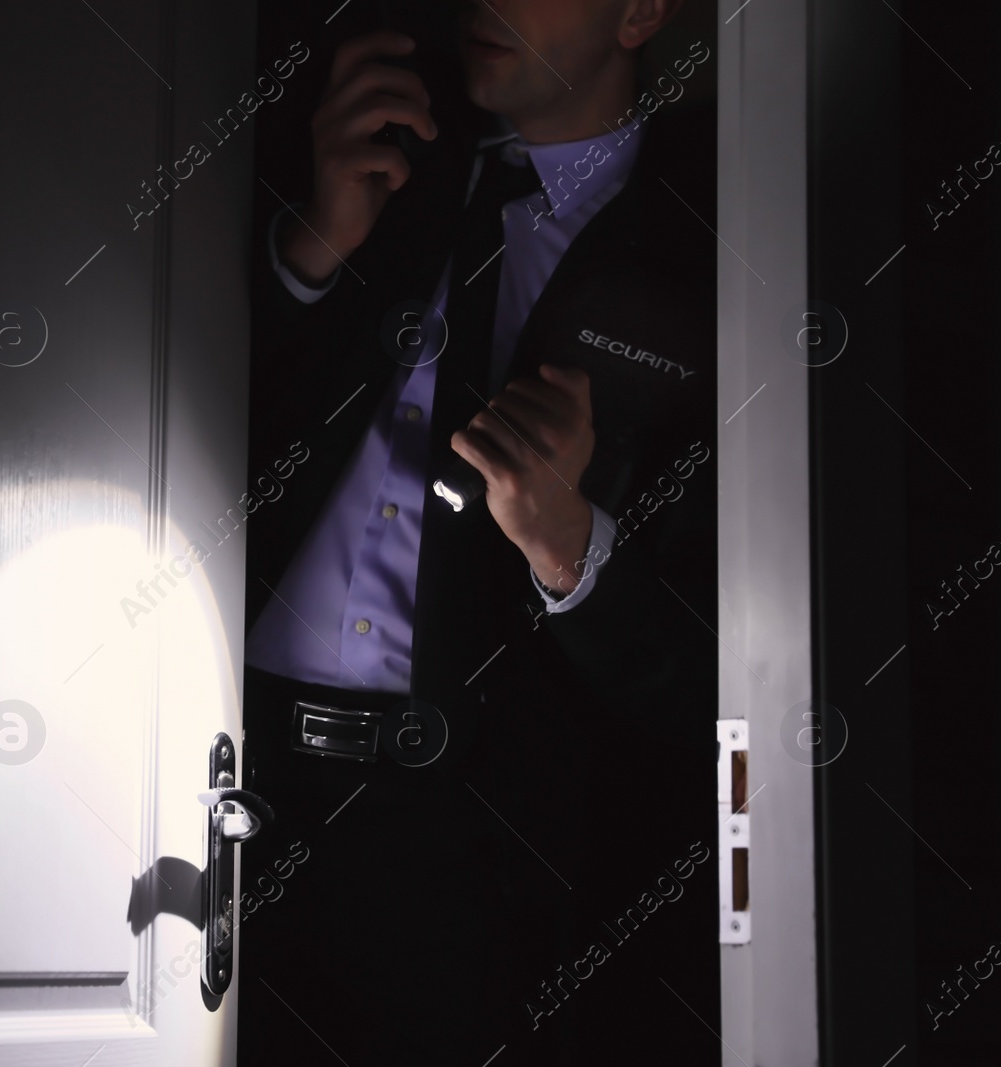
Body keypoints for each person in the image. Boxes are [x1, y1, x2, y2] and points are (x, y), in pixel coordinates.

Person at [236, 1, 720, 1062]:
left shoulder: (715, 255)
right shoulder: (364, 149)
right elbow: (173, 421)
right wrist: (307, 253)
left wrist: (566, 541)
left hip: (468, 851)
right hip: (228, 781)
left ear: (640, 11)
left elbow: (723, 671)